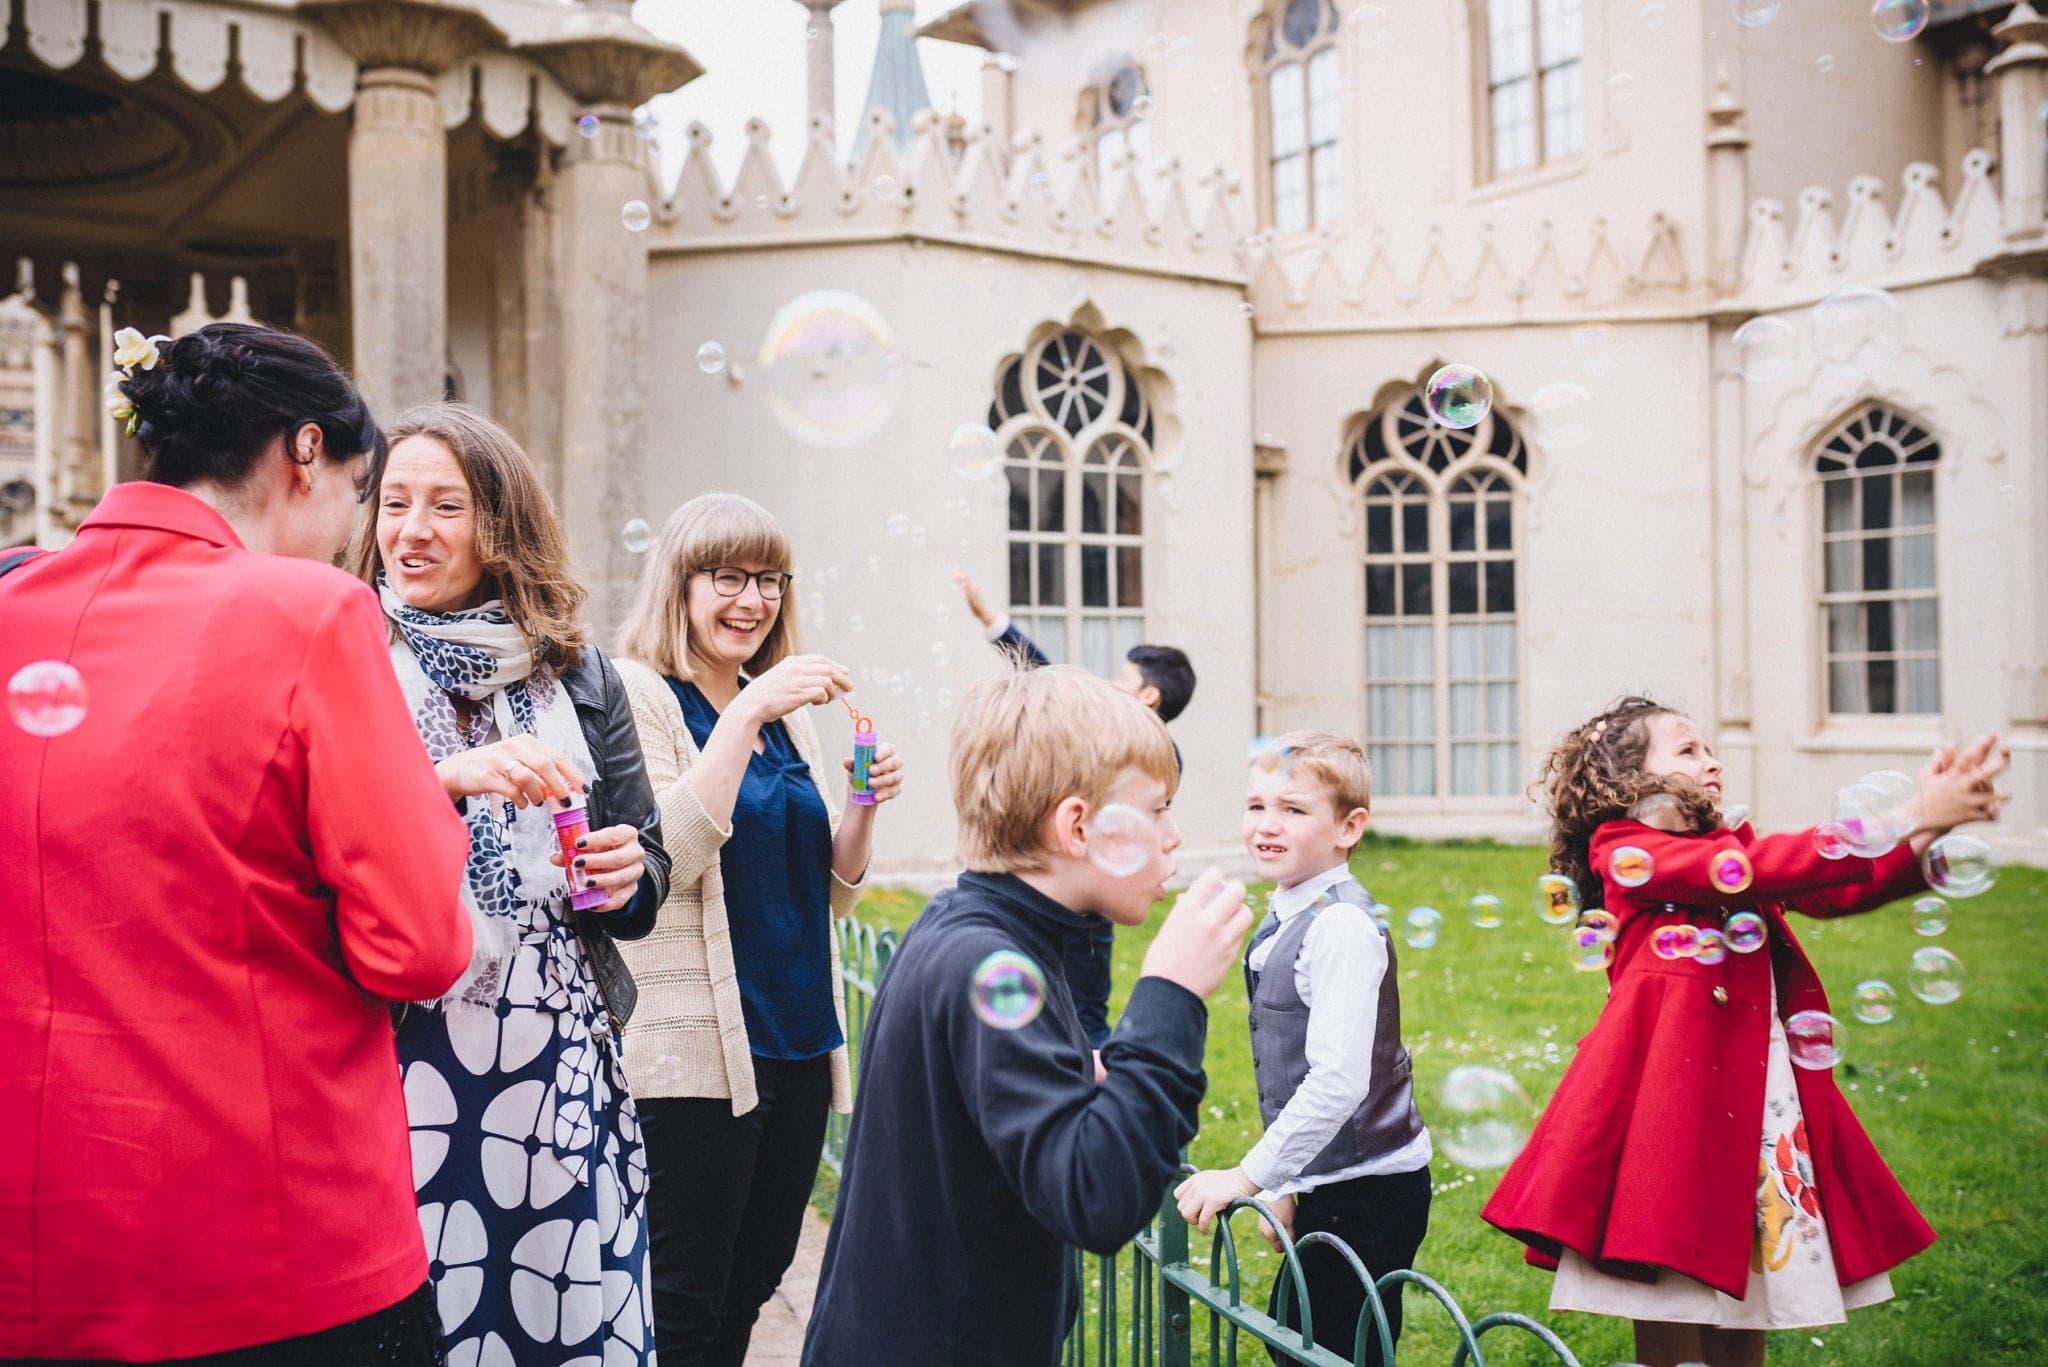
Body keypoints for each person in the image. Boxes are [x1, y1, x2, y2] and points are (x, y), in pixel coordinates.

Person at [0, 323, 473, 1363]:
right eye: (362, 494)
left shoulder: (11, 601)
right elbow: (420, 946)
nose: (357, 533)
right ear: (303, 452)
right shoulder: (309, 612)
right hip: (268, 1239)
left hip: (35, 1244)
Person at [1481, 697, 2009, 1367]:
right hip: (1667, 1106)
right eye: (1688, 749)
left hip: (1755, 1089)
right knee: (1665, 1273)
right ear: (1624, 779)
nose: (1712, 760)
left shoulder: (1729, 844)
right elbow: (1767, 868)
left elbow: (1832, 889)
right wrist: (1907, 812)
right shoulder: (1624, 846)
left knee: (1751, 1266)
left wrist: (1928, 829)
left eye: (1708, 748)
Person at [800, 665, 1251, 1367]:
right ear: (1076, 825)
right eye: (1158, 809)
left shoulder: (972, 929)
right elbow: (1095, 1194)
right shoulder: (987, 960)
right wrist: (1171, 991)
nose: (1174, 836)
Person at [347, 402, 672, 1367]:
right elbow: (313, 850)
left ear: (501, 523)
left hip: (554, 1049)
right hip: (402, 1045)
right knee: (427, 1309)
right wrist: (437, 784)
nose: (411, 531)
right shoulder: (347, 656)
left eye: (446, 506)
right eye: (394, 503)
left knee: (559, 1298)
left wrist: (627, 872)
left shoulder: (579, 674)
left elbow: (645, 868)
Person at [611, 492, 904, 1366]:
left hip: (800, 1041)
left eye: (769, 579)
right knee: (687, 1293)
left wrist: (861, 806)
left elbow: (829, 894)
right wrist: (741, 714)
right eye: (728, 577)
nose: (753, 599)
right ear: (680, 585)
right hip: (697, 1053)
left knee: (759, 1272)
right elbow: (667, 862)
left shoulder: (784, 715)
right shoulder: (640, 694)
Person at [1175, 731, 1432, 1366]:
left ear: (1350, 827)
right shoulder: (1294, 907)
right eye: (1256, 806)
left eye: (1293, 809)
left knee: (1333, 1354)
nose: (1267, 824)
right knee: (1298, 1343)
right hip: (1331, 1181)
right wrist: (1288, 1184)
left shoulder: (1340, 926)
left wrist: (1248, 1176)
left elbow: (1339, 1082)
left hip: (1367, 1191)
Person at [951, 569, 1197, 1056]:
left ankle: (1091, 1072)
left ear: (1148, 697)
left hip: (1091, 902)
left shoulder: (1153, 756)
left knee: (1082, 1010)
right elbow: (1048, 679)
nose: (1107, 686)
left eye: (1123, 680)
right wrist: (992, 622)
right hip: (1064, 889)